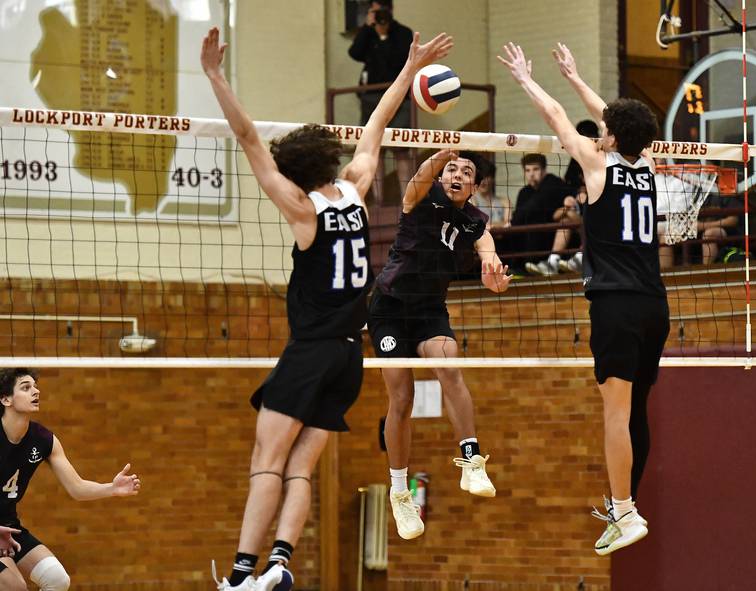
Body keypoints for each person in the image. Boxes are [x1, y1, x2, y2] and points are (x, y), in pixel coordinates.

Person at [201, 26, 453, 589]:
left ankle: (243, 575)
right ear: (327, 160)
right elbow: (377, 125)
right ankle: (280, 566)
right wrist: (409, 68)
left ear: (292, 172)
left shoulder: (301, 209)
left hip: (311, 351)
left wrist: (216, 76)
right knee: (300, 468)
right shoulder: (357, 190)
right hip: (348, 359)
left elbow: (246, 138)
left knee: (266, 462)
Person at [501, 41, 668, 555]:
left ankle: (624, 511)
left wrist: (529, 80)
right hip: (654, 306)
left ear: (610, 137)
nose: (599, 129)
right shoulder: (648, 166)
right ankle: (628, 503)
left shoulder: (596, 167)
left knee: (614, 416)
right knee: (635, 409)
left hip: (615, 305)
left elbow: (557, 118)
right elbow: (616, 120)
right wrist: (575, 76)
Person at [368, 149, 511, 540]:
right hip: (390, 309)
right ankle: (401, 494)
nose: (457, 175)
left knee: (449, 366)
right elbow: (417, 178)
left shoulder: (476, 224)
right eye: (452, 169)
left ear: (475, 186)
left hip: (430, 310)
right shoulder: (421, 197)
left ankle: (471, 460)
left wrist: (494, 278)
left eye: (466, 171)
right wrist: (441, 153)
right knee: (401, 397)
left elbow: (489, 259)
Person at [0, 368, 141, 591]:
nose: (35, 391)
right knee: (14, 587)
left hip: (10, 528)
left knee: (57, 579)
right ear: (5, 399)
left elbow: (76, 488)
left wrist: (111, 488)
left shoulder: (43, 439)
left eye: (35, 386)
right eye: (26, 388)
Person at [348, 0, 414, 205]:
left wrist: (384, 34)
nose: (380, 16)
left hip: (398, 98)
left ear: (391, 11)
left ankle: (406, 198)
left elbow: (399, 59)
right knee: (374, 147)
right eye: (375, 12)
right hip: (371, 97)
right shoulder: (368, 32)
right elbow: (355, 53)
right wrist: (369, 28)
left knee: (401, 149)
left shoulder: (403, 33)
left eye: (382, 12)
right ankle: (378, 199)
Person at [510, 153, 574, 275]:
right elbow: (517, 218)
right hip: (529, 241)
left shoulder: (554, 183)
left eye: (536, 169)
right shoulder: (524, 192)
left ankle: (550, 263)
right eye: (527, 170)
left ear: (544, 170)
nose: (531, 174)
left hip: (551, 237)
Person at [471, 159, 512, 230]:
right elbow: (475, 224)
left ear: (493, 179)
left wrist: (490, 226)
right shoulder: (471, 200)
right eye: (480, 177)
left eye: (486, 176)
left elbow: (508, 224)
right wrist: (500, 225)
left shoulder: (505, 201)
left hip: (503, 239)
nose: (483, 181)